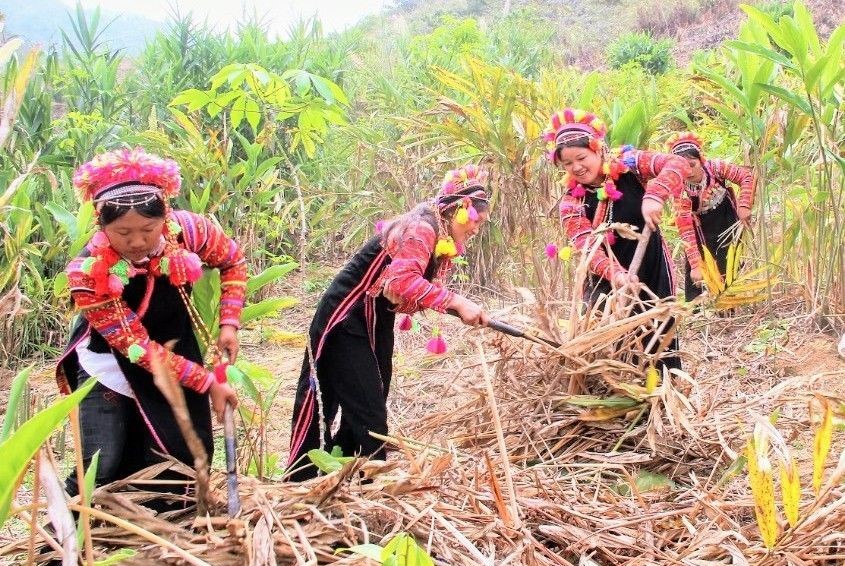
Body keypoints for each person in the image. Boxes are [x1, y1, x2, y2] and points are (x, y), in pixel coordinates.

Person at [56, 147, 244, 497]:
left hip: (177, 347)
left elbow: (233, 261)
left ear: (165, 216)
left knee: (180, 453)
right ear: (101, 224)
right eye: (122, 232)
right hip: (110, 361)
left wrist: (229, 322)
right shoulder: (87, 274)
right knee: (102, 462)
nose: (138, 241)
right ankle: (67, 540)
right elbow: (137, 347)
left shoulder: (188, 230)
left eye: (148, 228)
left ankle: (170, 532)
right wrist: (208, 383)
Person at [287, 164, 491, 480]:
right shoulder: (421, 229)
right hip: (347, 318)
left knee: (370, 401)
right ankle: (327, 482)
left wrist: (459, 308)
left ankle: (342, 478)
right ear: (457, 211)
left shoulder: (436, 235)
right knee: (364, 413)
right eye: (476, 220)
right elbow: (400, 283)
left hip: (373, 320)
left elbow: (405, 296)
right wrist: (457, 301)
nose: (477, 229)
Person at [546, 108, 695, 370]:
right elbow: (585, 246)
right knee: (612, 346)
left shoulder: (629, 164)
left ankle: (662, 400)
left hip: (652, 268)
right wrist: (615, 274)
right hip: (606, 282)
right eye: (568, 163)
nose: (577, 167)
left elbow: (677, 164)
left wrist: (655, 195)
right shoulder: (571, 200)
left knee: (659, 336)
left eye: (582, 157)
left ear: (599, 150)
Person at [667, 132, 756, 301]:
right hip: (699, 227)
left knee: (729, 263)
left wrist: (744, 205)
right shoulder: (679, 189)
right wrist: (694, 265)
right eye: (682, 168)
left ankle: (729, 309)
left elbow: (745, 177)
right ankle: (698, 316)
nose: (689, 171)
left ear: (701, 159)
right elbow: (685, 228)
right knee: (698, 273)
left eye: (692, 164)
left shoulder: (716, 168)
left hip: (725, 218)